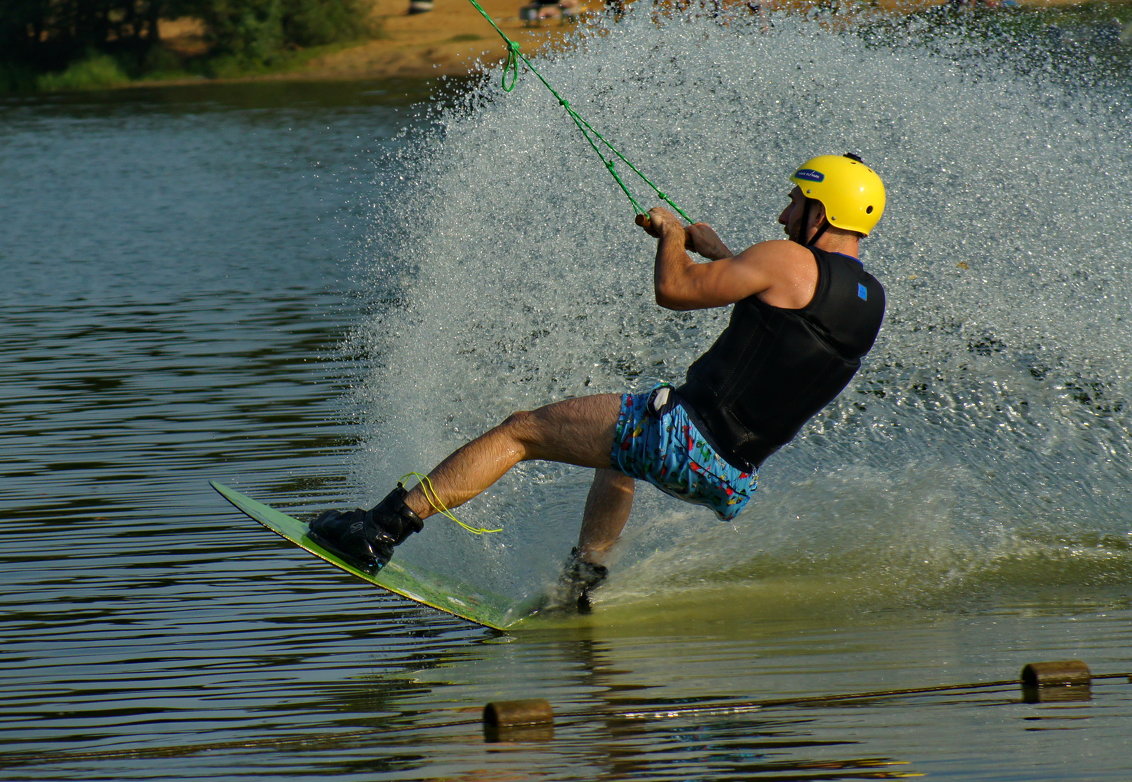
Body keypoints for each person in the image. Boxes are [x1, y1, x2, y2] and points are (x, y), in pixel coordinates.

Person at [310, 154, 887, 612]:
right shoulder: (868, 300)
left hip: (680, 435)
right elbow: (786, 317)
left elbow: (676, 293)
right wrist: (721, 253)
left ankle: (380, 530)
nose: (784, 217)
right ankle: (581, 582)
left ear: (821, 212)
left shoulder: (786, 258)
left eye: (794, 203)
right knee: (619, 457)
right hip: (733, 475)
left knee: (521, 431)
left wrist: (671, 238)